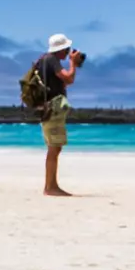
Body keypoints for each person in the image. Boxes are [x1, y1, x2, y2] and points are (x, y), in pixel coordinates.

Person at [34, 33, 85, 196]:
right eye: (67, 49)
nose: (68, 52)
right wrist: (73, 63)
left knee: (54, 147)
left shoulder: (43, 61)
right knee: (54, 148)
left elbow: (60, 83)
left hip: (46, 108)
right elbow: (68, 79)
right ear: (61, 49)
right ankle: (50, 187)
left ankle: (51, 185)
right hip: (53, 108)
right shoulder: (51, 60)